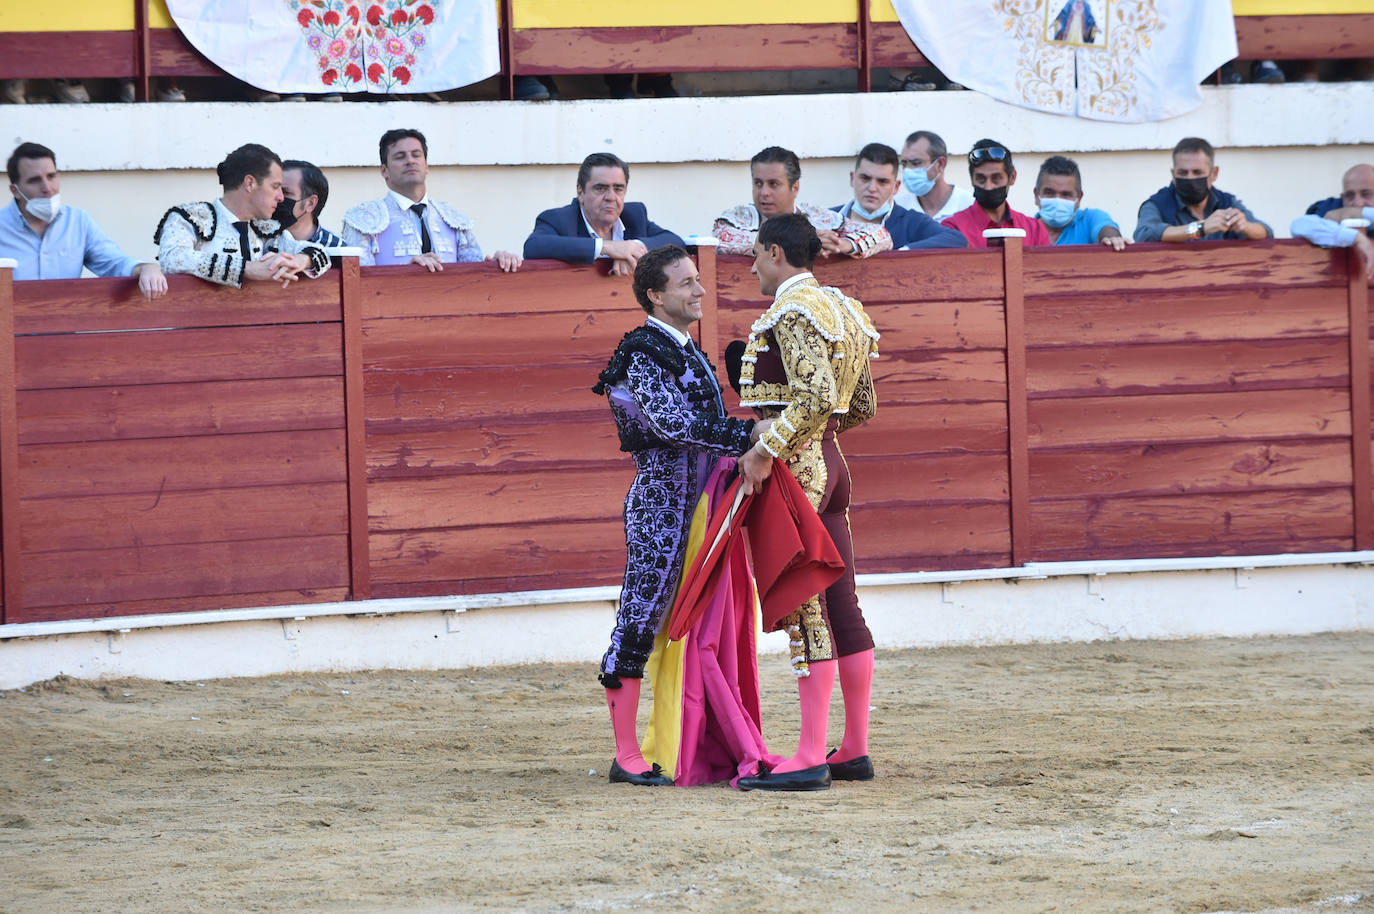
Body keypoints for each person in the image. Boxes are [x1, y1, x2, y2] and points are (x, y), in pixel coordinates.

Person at [591, 245, 767, 787]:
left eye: (698, 280)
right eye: (687, 283)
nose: (700, 291)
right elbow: (671, 424)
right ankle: (627, 756)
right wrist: (747, 435)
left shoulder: (683, 348)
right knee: (642, 619)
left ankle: (693, 741)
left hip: (698, 504)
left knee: (693, 625)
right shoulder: (644, 352)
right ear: (656, 295)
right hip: (663, 507)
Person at [732, 214, 880, 792]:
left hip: (800, 473)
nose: (750, 267)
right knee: (843, 605)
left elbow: (815, 392)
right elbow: (859, 404)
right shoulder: (843, 308)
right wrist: (819, 438)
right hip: (834, 462)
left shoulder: (792, 311)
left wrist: (768, 448)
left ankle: (810, 755)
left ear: (775, 252)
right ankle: (854, 749)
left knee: (809, 609)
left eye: (755, 256)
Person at [340, 128, 521, 272]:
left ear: (426, 166)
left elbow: (474, 274)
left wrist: (496, 264)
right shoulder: (363, 220)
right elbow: (357, 281)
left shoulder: (452, 219)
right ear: (384, 171)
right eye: (400, 157)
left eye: (416, 155)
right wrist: (404, 275)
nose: (410, 161)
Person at [2, 142, 166, 298]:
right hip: (10, 326)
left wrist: (145, 268)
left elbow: (113, 262)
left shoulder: (77, 222)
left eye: (51, 176)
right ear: (15, 191)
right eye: (35, 180)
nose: (47, 188)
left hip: (65, 323)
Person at [154, 143, 329, 289]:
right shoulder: (191, 219)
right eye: (275, 186)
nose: (281, 197)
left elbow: (321, 253)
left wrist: (301, 260)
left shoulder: (265, 229)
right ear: (250, 184)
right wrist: (247, 268)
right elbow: (172, 259)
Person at [523, 152, 684, 276]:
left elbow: (676, 242)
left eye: (618, 189)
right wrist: (607, 248)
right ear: (581, 192)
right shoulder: (559, 219)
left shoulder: (635, 216)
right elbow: (533, 246)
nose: (611, 197)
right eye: (600, 188)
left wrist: (633, 248)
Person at [713, 146, 890, 259]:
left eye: (773, 184)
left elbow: (882, 234)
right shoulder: (736, 218)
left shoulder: (818, 217)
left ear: (795, 187)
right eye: (758, 183)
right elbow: (722, 240)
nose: (764, 193)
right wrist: (804, 241)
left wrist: (843, 244)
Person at [1133, 137, 1272, 243]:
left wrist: (1245, 226)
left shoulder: (1226, 202)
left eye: (1197, 172)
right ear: (1173, 174)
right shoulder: (1158, 204)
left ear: (1214, 174)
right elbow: (1144, 234)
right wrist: (1199, 229)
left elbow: (1266, 233)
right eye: (1183, 173)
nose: (1190, 178)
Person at [832, 143, 967, 251]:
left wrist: (903, 253)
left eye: (882, 181)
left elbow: (957, 239)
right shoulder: (827, 218)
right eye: (865, 178)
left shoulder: (911, 222)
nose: (872, 188)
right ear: (852, 178)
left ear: (896, 187)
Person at [943, 139, 1051, 248]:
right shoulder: (953, 229)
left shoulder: (1035, 230)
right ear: (972, 179)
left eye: (996, 178)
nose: (988, 187)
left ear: (1012, 177)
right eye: (981, 179)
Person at [1291, 163, 1374, 282]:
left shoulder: (1339, 213)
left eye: (1366, 194)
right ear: (1342, 197)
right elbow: (1299, 225)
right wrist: (1356, 238)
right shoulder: (1331, 207)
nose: (1358, 202)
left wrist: (1355, 213)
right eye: (1349, 196)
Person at [1033, 155, 1127, 250]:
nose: (1058, 200)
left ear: (1079, 198)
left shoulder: (1091, 219)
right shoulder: (1025, 229)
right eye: (1049, 193)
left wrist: (1111, 239)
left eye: (1066, 194)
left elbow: (1106, 229)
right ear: (1036, 195)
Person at [892, 131, 975, 224]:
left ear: (940, 164)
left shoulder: (969, 206)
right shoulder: (897, 208)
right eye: (904, 164)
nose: (908, 170)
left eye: (916, 163)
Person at [278, 159, 342, 248]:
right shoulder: (258, 241)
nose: (278, 197)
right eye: (274, 188)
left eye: (286, 192)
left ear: (310, 203)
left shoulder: (336, 250)